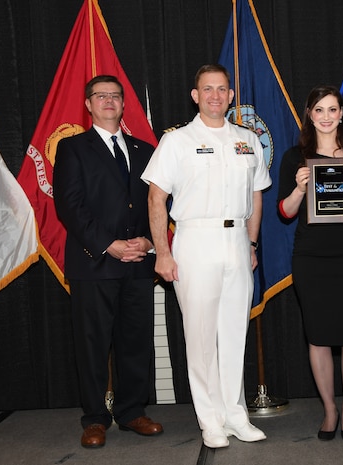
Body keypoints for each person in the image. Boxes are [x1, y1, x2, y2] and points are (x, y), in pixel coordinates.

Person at [141, 64, 271, 449]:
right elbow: (156, 198)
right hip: (194, 240)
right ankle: (210, 420)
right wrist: (162, 253)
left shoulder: (248, 140)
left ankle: (235, 413)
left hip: (236, 242)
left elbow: (256, 195)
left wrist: (251, 244)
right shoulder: (177, 141)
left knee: (234, 333)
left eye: (222, 89)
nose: (216, 96)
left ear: (232, 96)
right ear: (195, 96)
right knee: (200, 337)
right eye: (207, 89)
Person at [53, 75, 163, 448]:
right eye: (101, 96)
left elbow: (159, 203)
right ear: (88, 104)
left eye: (115, 96)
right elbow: (69, 205)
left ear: (123, 103)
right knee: (92, 344)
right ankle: (95, 418)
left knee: (136, 341)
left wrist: (150, 241)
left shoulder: (146, 149)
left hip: (138, 261)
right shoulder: (73, 148)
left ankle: (132, 411)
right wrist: (109, 244)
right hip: (94, 262)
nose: (109, 101)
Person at [277, 85, 343, 441]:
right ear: (309, 114)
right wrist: (300, 189)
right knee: (317, 337)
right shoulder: (294, 157)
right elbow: (285, 212)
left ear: (341, 114)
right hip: (311, 258)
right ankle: (329, 410)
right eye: (318, 110)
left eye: (332, 109)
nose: (325, 116)